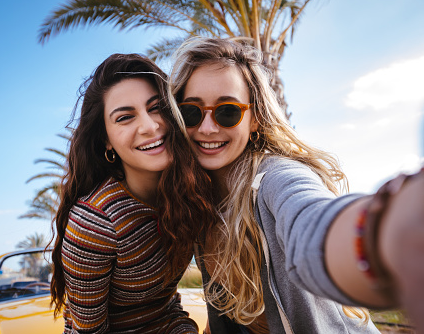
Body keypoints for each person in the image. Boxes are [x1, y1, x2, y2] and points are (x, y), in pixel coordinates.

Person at [167, 36, 424, 333]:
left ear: (255, 119)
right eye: (191, 112)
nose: (208, 128)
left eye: (227, 111)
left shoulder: (275, 178)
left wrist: (387, 234)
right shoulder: (198, 199)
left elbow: (312, 222)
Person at [49, 53, 216, 333]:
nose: (150, 126)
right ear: (107, 141)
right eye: (125, 117)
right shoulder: (96, 222)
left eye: (156, 108)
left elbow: (165, 305)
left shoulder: (189, 191)